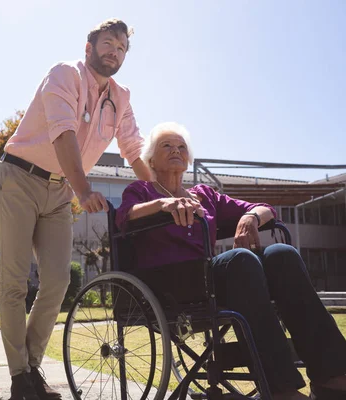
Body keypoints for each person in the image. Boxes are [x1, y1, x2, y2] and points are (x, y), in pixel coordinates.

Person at [115, 121, 346, 400]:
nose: (176, 150)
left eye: (181, 147)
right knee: (240, 261)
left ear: (188, 159)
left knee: (281, 255)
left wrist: (250, 217)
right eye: (167, 145)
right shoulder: (142, 191)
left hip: (212, 278)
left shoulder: (204, 195)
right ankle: (281, 388)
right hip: (168, 281)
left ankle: (331, 376)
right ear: (151, 158)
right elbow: (125, 216)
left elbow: (266, 209)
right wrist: (164, 205)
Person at [0, 19, 151, 400]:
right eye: (108, 43)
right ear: (89, 47)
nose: (115, 51)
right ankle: (20, 379)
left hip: (59, 191)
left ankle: (31, 368)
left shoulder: (121, 96)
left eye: (122, 48)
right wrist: (83, 189)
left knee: (58, 281)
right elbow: (62, 133)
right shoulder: (64, 74)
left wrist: (160, 193)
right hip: (19, 177)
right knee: (13, 282)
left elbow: (133, 149)